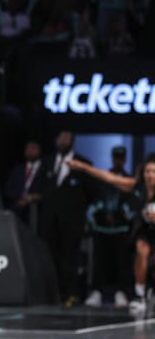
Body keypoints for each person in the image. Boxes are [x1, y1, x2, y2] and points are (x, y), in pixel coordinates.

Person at [69, 154, 155, 313]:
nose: (150, 175)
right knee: (142, 252)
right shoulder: (137, 186)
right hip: (145, 230)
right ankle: (140, 295)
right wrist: (83, 167)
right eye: (147, 171)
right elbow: (110, 178)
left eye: (154, 171)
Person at [40, 131, 92, 307]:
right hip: (49, 221)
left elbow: (91, 193)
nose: (62, 141)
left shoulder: (83, 164)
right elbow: (41, 189)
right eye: (60, 137)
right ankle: (50, 294)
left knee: (71, 259)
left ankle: (71, 295)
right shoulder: (47, 162)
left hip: (72, 222)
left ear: (72, 141)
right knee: (49, 257)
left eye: (66, 138)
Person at [83, 146, 133, 308]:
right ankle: (97, 291)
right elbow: (96, 199)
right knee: (100, 262)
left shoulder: (129, 180)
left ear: (124, 159)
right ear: (112, 158)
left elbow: (132, 201)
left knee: (122, 262)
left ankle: (121, 292)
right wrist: (100, 213)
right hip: (102, 227)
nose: (118, 160)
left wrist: (123, 214)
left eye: (121, 157)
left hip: (121, 229)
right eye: (116, 157)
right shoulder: (103, 178)